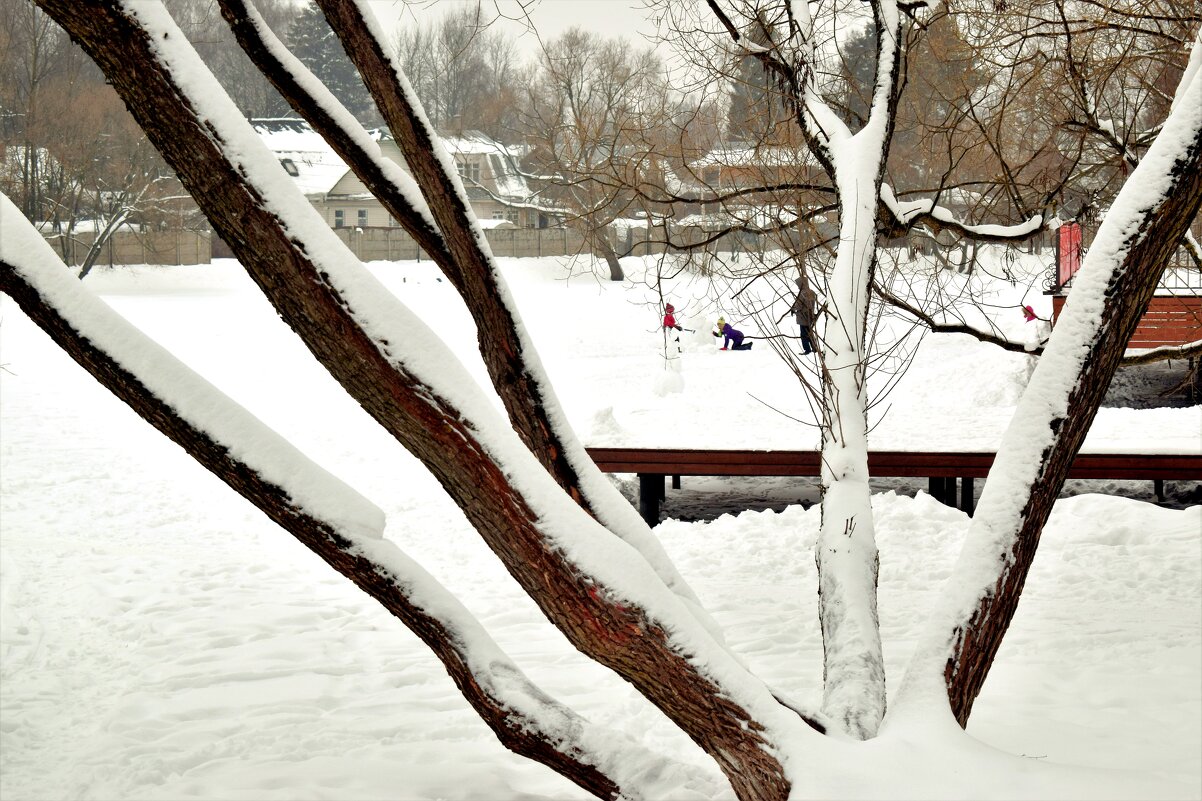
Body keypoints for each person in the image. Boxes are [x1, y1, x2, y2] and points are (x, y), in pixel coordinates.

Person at [791, 277, 818, 355]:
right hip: (810, 316)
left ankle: (807, 349)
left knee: (803, 334)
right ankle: (814, 347)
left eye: (798, 284)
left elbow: (799, 306)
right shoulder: (812, 292)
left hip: (803, 317)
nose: (798, 286)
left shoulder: (802, 293)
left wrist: (793, 309)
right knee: (810, 333)